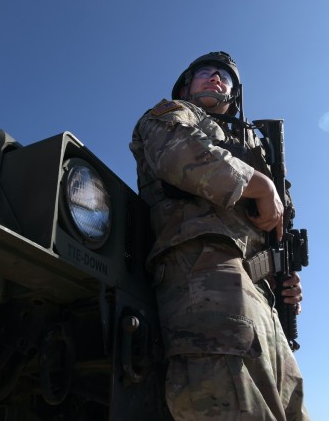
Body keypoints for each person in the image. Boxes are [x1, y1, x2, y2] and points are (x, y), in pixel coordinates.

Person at [129, 52, 310, 420]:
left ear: (234, 95)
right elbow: (177, 154)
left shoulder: (252, 144)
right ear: (185, 86)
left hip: (261, 296)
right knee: (230, 401)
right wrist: (260, 186)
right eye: (205, 74)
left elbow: (267, 233)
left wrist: (281, 278)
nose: (215, 79)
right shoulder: (174, 114)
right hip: (205, 269)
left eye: (224, 77)